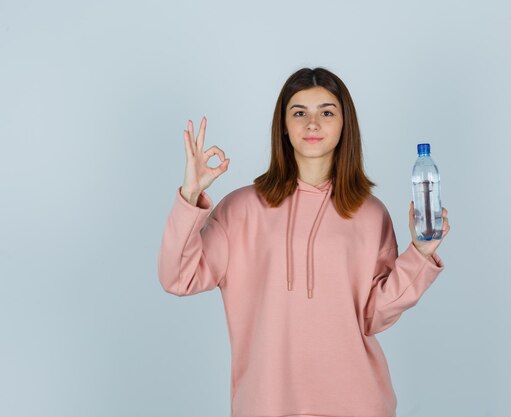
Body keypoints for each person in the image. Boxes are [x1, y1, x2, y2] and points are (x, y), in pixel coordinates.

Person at [158, 67, 450, 417]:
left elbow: (373, 316)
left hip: (358, 404)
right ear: (283, 124)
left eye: (327, 112)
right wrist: (190, 196)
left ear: (345, 125)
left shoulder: (370, 214)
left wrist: (420, 254)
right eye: (299, 113)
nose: (313, 124)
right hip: (266, 405)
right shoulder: (241, 208)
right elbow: (179, 277)